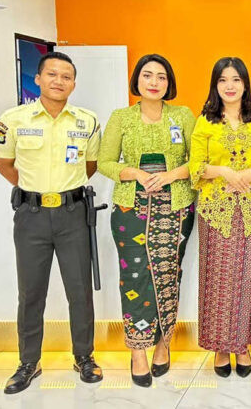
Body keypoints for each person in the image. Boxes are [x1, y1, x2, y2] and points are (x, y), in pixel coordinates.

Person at [0, 51, 103, 394]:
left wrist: (63, 193)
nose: (59, 81)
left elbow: (90, 166)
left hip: (73, 214)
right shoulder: (13, 119)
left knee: (80, 290)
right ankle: (29, 362)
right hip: (32, 216)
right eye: (52, 74)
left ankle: (84, 357)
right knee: (31, 292)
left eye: (66, 76)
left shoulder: (87, 121)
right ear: (38, 79)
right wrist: (35, 193)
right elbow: (5, 164)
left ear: (74, 83)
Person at [97, 54, 197, 387]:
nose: (154, 82)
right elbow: (104, 162)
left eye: (161, 77)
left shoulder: (182, 115)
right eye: (147, 75)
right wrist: (135, 173)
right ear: (137, 80)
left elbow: (198, 160)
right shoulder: (121, 117)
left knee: (169, 275)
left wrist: (169, 176)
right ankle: (138, 350)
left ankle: (164, 342)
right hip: (131, 209)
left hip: (175, 207)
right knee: (134, 277)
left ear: (169, 83)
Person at [188, 57, 251, 378]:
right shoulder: (205, 123)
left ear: (245, 84)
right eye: (223, 80)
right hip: (216, 212)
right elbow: (196, 167)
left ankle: (242, 345)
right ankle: (221, 347)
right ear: (215, 85)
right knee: (219, 280)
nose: (230, 86)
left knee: (248, 277)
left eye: (236, 79)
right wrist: (224, 171)